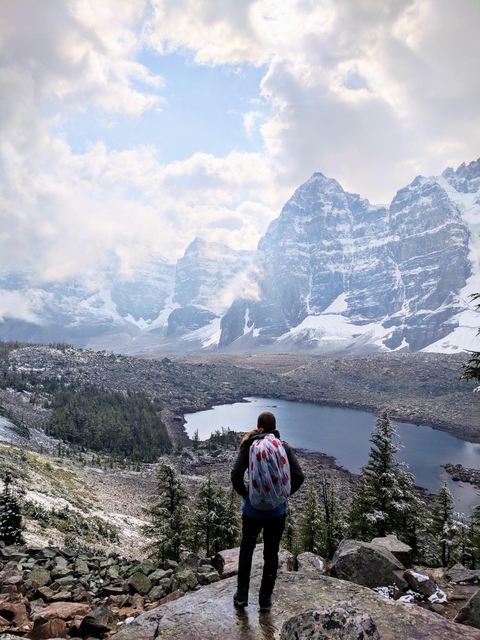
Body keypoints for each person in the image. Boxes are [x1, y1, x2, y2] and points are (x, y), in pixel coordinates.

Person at [230, 411, 304, 612]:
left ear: (259, 427)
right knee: (271, 553)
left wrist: (246, 495)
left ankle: (242, 595)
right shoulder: (284, 447)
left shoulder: (249, 446)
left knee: (247, 548)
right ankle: (265, 599)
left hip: (252, 512)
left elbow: (236, 475)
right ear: (274, 428)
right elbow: (299, 477)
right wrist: (283, 496)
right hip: (277, 513)